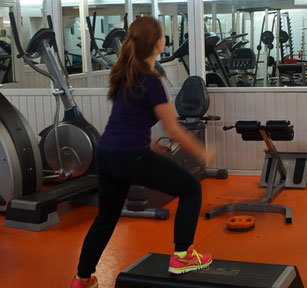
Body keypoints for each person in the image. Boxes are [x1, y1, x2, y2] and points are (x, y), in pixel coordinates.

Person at [70, 17, 217, 288]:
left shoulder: (125, 75)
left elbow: (127, 120)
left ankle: (82, 278)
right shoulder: (153, 80)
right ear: (160, 43)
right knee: (190, 189)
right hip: (130, 156)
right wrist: (202, 152)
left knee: (106, 218)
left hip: (107, 153)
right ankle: (182, 255)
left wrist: (149, 144)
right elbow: (173, 129)